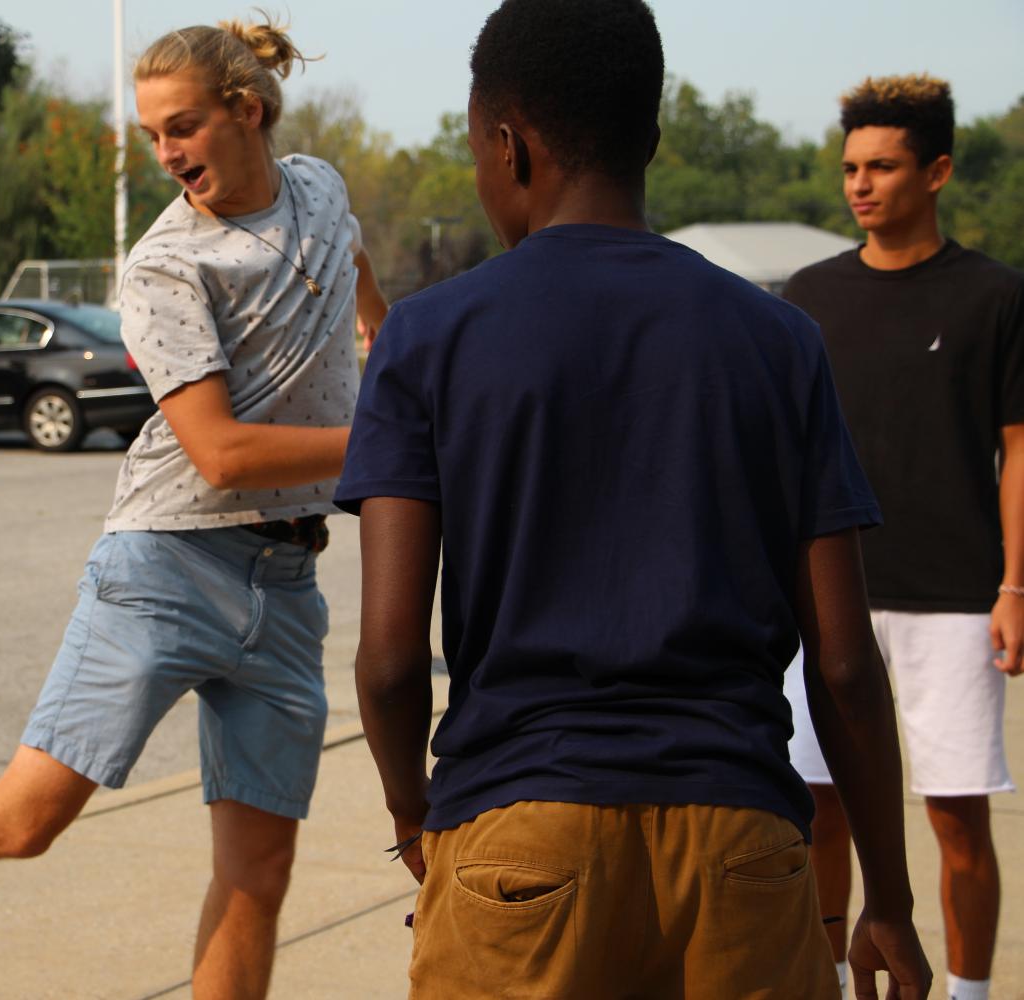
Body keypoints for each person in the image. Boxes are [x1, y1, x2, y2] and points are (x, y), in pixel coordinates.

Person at [334, 0, 932, 996]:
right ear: (650, 139)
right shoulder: (779, 339)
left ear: (507, 145)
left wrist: (417, 818)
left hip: (520, 834)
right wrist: (893, 903)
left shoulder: (429, 337)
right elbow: (843, 663)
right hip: (741, 839)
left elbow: (392, 661)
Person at [0, 14, 387, 998]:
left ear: (247, 110)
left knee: (260, 876)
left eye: (181, 128)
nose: (167, 154)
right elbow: (218, 454)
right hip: (168, 565)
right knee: (23, 821)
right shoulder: (168, 263)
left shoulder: (321, 187)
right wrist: (394, 440)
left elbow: (355, 275)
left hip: (291, 580)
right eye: (151, 137)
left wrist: (397, 357)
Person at [782, 74, 1023, 1000]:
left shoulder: (995, 297)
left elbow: (1018, 449)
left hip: (955, 600)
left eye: (882, 165)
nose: (861, 184)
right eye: (850, 167)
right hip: (823, 597)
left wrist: (1015, 590)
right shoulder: (809, 295)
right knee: (819, 809)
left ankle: (965, 993)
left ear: (939, 170)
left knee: (959, 820)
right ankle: (827, 982)